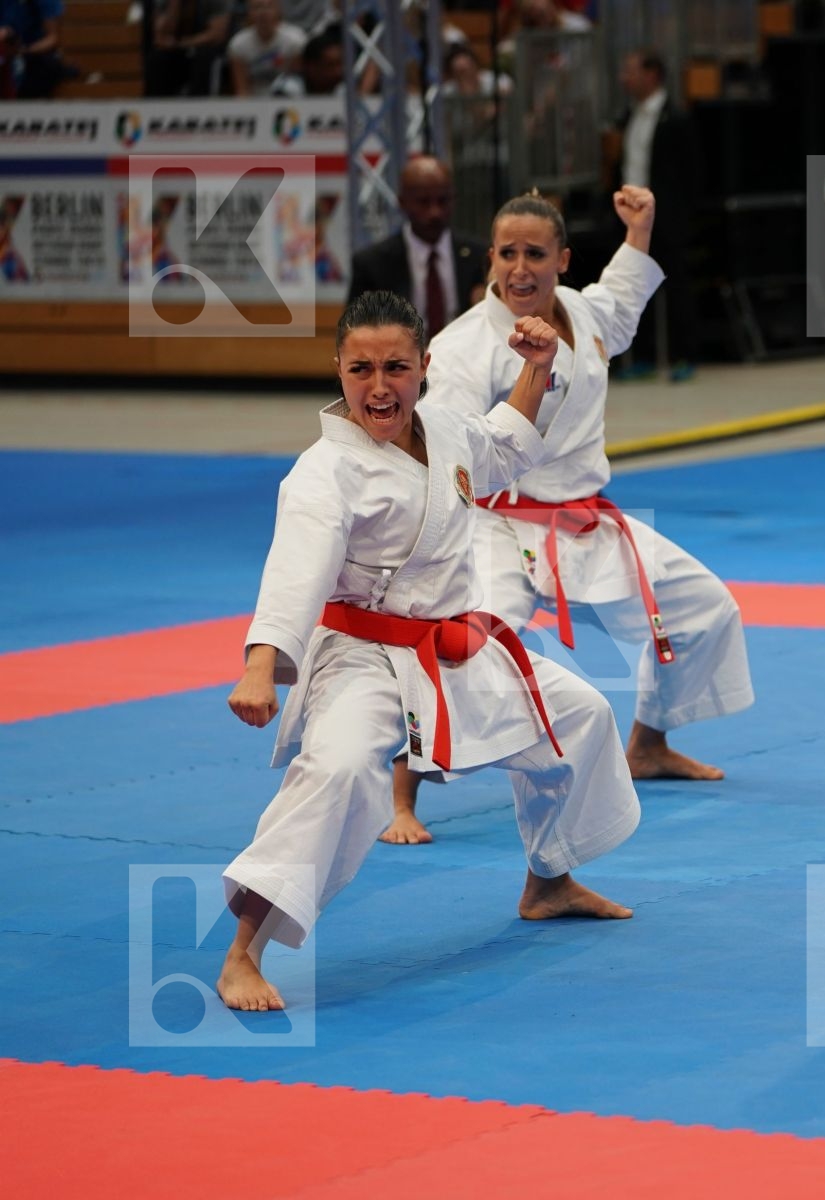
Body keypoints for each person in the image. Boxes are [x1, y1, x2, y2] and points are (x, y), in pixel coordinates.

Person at [218, 289, 641, 1010]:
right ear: (337, 370)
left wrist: (537, 369)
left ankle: (548, 878)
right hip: (364, 655)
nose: (378, 387)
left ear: (425, 366)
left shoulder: (443, 428)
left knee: (580, 716)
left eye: (396, 367)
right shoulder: (324, 473)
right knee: (342, 772)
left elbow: (505, 445)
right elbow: (294, 574)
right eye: (360, 370)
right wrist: (261, 670)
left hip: (451, 647)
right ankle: (241, 955)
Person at [382, 186, 754, 845]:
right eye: (506, 253)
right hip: (498, 527)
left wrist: (639, 231)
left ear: (562, 260)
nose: (519, 268)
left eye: (535, 253)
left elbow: (622, 299)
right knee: (467, 651)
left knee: (707, 610)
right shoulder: (464, 346)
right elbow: (454, 438)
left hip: (585, 521)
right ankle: (402, 794)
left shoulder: (582, 312)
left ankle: (649, 742)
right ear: (489, 260)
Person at [605, 48, 701, 384]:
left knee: (675, 285)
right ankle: (642, 355)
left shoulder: (675, 117)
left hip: (666, 215)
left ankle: (683, 355)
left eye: (631, 70)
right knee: (635, 284)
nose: (624, 78)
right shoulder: (628, 116)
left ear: (652, 75)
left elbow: (690, 171)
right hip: (631, 216)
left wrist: (679, 212)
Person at [348, 156, 488, 342]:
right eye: (424, 202)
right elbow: (355, 330)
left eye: (443, 201)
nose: (435, 212)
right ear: (402, 203)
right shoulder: (373, 264)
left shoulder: (479, 256)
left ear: (454, 200)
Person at [147, 0, 231, 97]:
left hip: (209, 50)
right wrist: (174, 5)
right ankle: (158, 106)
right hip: (179, 50)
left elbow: (217, 35)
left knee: (204, 56)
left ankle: (202, 105)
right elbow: (161, 37)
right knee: (157, 59)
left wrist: (182, 44)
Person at [227, 0, 306, 96]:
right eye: (257, 7)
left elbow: (296, 82)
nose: (263, 12)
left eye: (269, 7)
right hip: (253, 100)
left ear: (278, 10)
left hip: (285, 97)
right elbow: (242, 89)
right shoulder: (238, 44)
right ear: (249, 13)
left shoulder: (295, 39)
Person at [0, 0, 63, 99]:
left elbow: (52, 39)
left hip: (35, 55)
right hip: (7, 52)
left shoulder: (47, 2)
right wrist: (7, 32)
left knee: (43, 68)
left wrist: (24, 51)